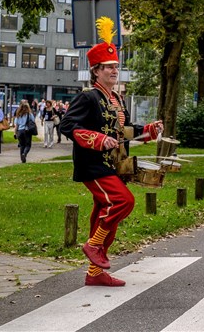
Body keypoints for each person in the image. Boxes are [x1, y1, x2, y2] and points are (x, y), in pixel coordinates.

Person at [60, 16, 163, 287]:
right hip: (92, 165)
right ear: (96, 71)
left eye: (116, 66)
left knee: (105, 217)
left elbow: (124, 130)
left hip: (112, 165)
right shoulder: (88, 97)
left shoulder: (116, 99)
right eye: (108, 67)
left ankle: (94, 274)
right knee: (123, 202)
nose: (114, 70)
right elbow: (68, 125)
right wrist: (96, 138)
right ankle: (93, 246)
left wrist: (149, 129)